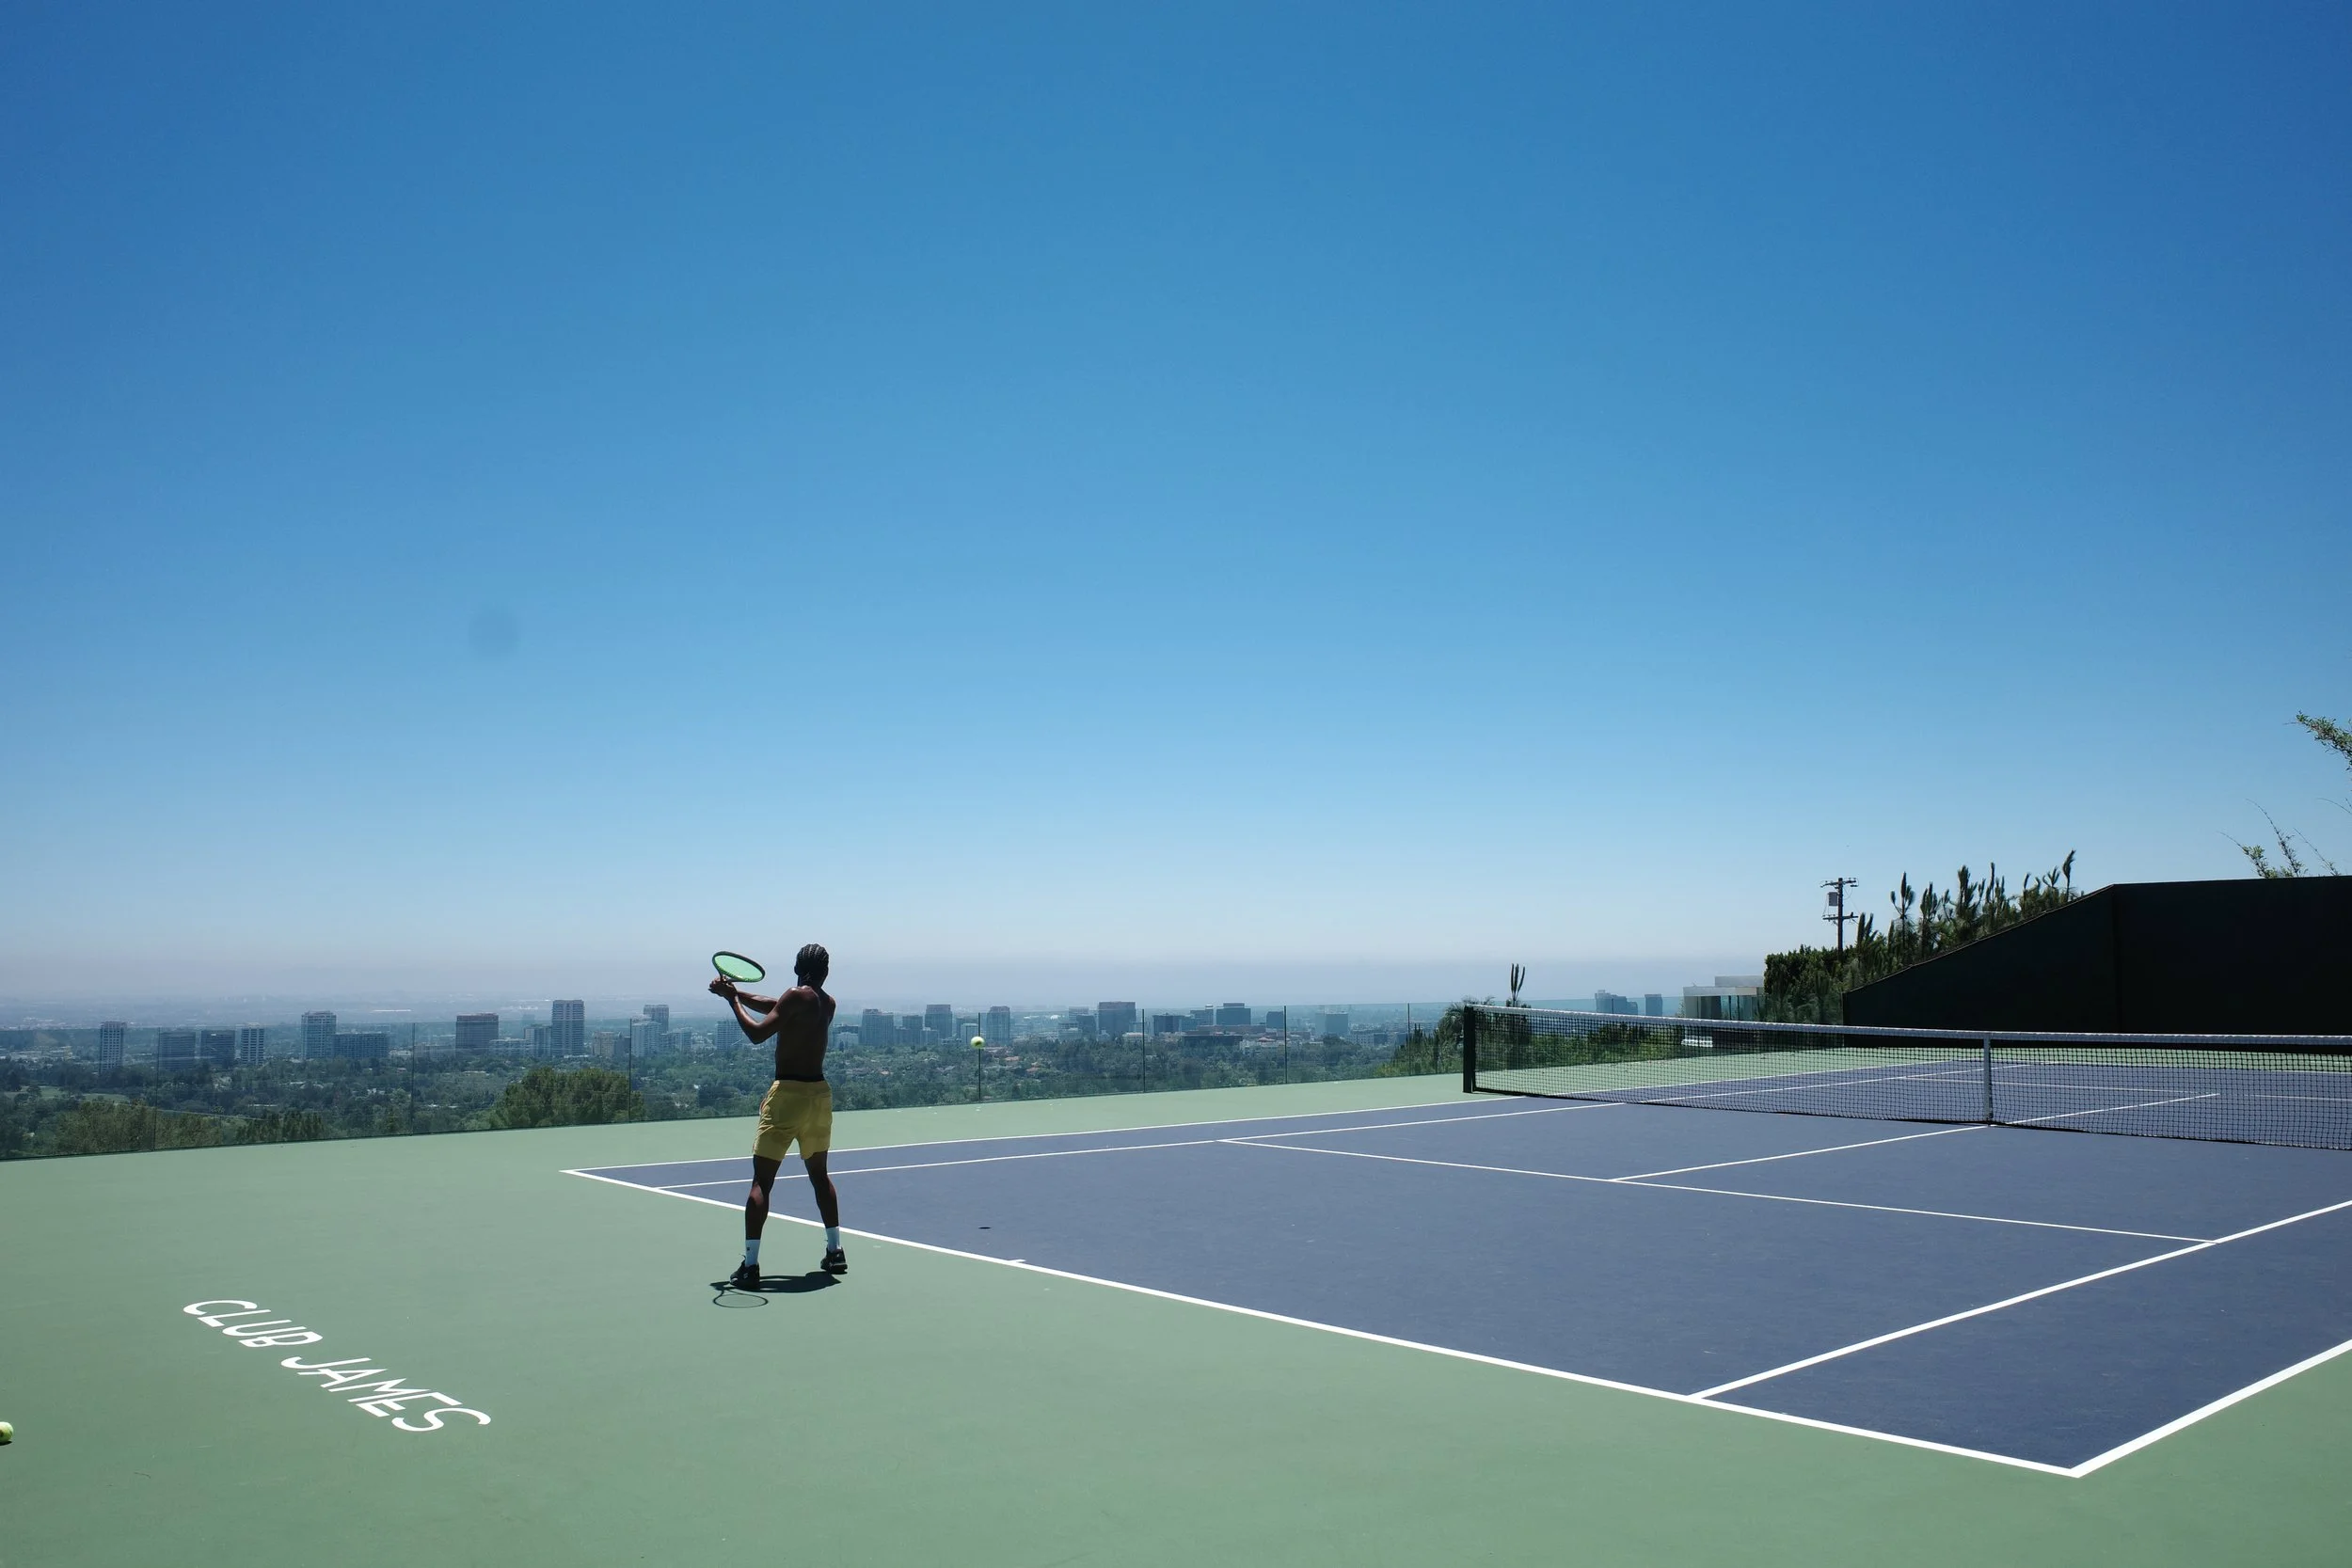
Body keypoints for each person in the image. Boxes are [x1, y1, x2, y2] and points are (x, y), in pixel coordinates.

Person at [712, 942, 843, 1288]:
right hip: (819, 1096)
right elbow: (776, 1006)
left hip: (788, 1096)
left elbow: (758, 1033)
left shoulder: (794, 997)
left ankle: (751, 1265)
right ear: (825, 972)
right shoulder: (826, 1004)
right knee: (820, 1177)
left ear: (797, 969)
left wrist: (732, 1001)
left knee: (762, 1183)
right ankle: (835, 1251)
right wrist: (736, 991)